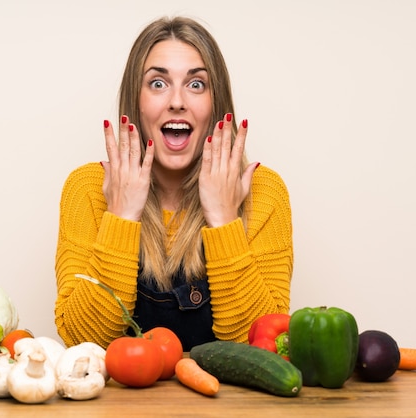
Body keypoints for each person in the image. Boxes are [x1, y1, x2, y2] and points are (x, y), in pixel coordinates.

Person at [54, 16, 293, 351]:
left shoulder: (262, 192)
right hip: (118, 404)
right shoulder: (89, 188)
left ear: (216, 104)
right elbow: (83, 341)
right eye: (157, 83)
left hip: (230, 403)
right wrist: (121, 216)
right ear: (135, 101)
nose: (177, 101)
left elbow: (262, 348)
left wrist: (224, 220)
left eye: (196, 84)